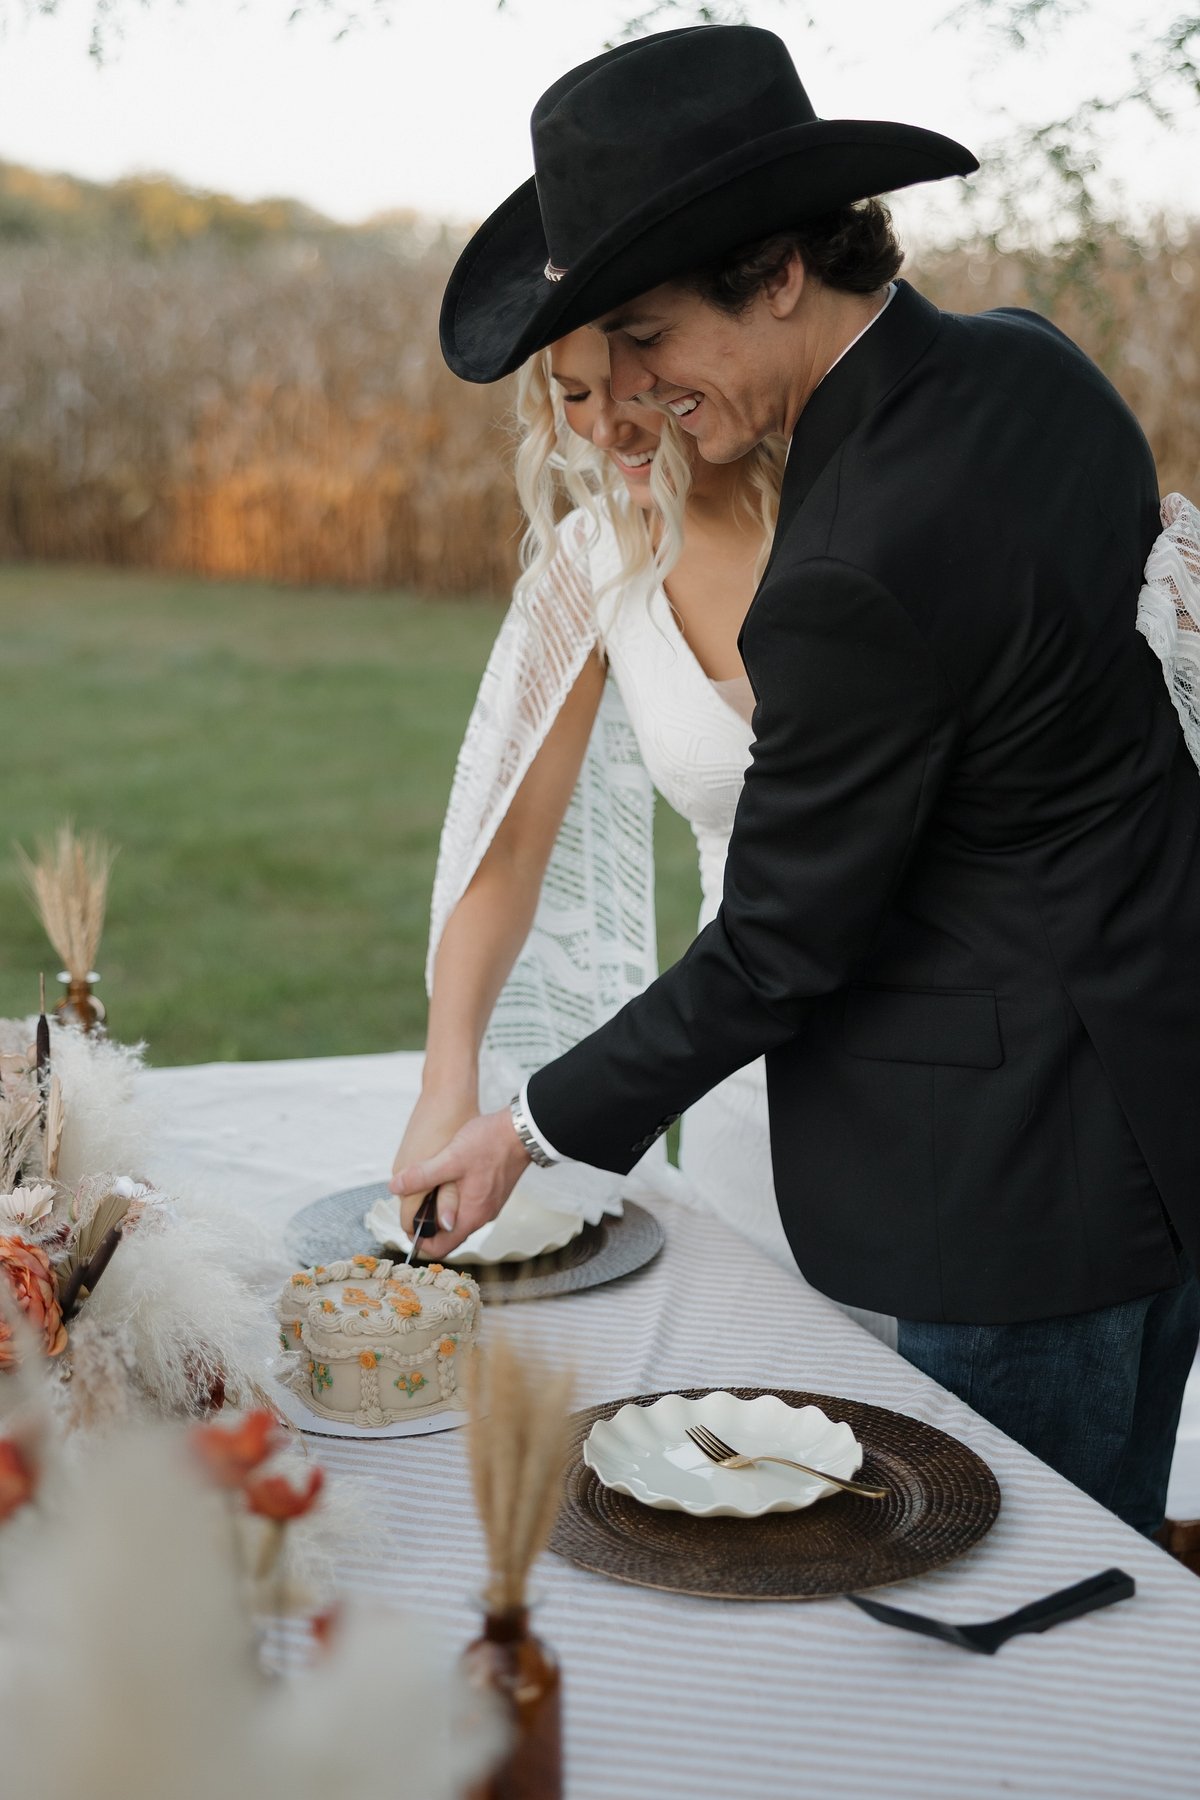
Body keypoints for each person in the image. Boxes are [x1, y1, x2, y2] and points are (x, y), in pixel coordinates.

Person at [396, 25, 1200, 1533]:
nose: (627, 398)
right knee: (1114, 1583)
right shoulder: (1033, 364)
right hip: (1160, 1122)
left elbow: (782, 939)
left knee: (1006, 1613)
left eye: (645, 336)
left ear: (777, 271)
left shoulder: (840, 572)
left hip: (1011, 1212)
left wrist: (525, 1124)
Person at [395, 326, 896, 1334]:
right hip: (742, 1080)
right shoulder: (596, 563)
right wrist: (447, 1082)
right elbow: (506, 863)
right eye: (573, 396)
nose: (605, 425)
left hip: (941, 1070)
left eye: (630, 385)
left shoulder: (862, 511)